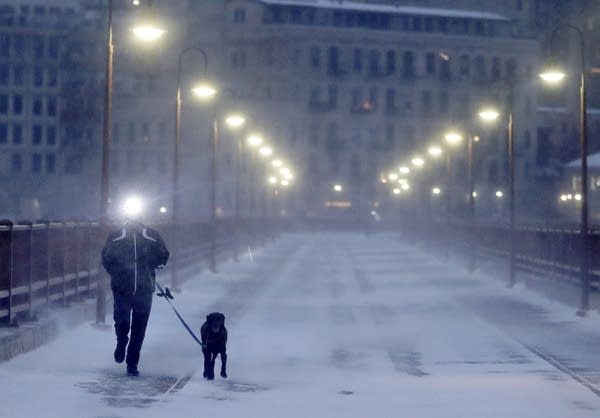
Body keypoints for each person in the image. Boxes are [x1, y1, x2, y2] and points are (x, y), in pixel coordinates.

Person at [101, 220, 169, 376]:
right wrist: (116, 273)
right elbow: (105, 258)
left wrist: (154, 262)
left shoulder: (152, 235)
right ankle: (121, 342)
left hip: (144, 289)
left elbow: (164, 255)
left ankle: (132, 363)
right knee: (122, 321)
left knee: (139, 329)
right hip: (121, 289)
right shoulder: (116, 235)